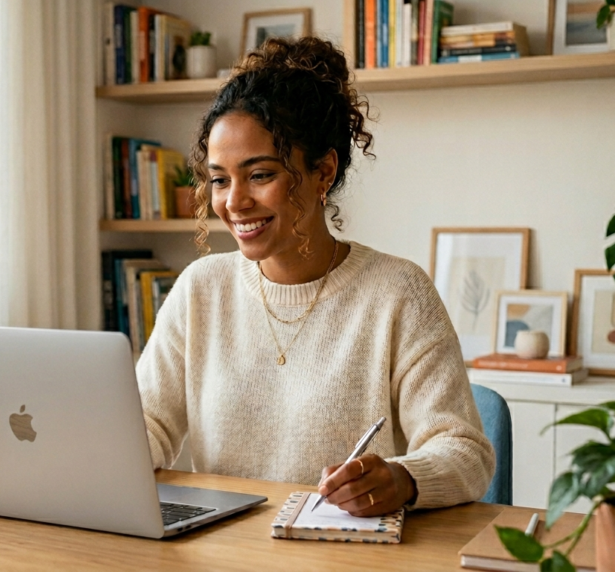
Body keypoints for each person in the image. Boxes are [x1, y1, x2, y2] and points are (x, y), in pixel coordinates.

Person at [136, 37, 494, 515]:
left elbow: (465, 453)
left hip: (345, 555)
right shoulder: (201, 288)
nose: (234, 202)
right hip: (222, 553)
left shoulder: (397, 292)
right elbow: (146, 424)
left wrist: (403, 479)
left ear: (323, 172)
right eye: (220, 179)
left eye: (260, 175)